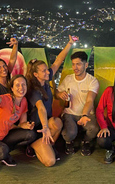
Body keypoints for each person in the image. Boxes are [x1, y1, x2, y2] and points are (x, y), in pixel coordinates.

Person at [25, 35, 77, 166]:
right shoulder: (34, 89)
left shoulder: (45, 80)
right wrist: (45, 127)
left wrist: (69, 43)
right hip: (36, 129)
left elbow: (58, 61)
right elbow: (41, 108)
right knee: (50, 162)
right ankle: (34, 145)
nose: (48, 73)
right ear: (36, 74)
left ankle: (47, 145)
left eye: (47, 70)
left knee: (57, 122)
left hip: (46, 125)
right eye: (44, 71)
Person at [56, 51, 99, 156]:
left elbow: (89, 100)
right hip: (70, 113)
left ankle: (86, 141)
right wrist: (60, 94)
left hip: (87, 114)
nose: (75, 67)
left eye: (78, 64)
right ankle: (68, 141)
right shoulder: (68, 79)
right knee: (69, 134)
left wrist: (84, 115)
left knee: (94, 129)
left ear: (86, 65)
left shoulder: (92, 81)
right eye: (73, 64)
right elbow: (57, 92)